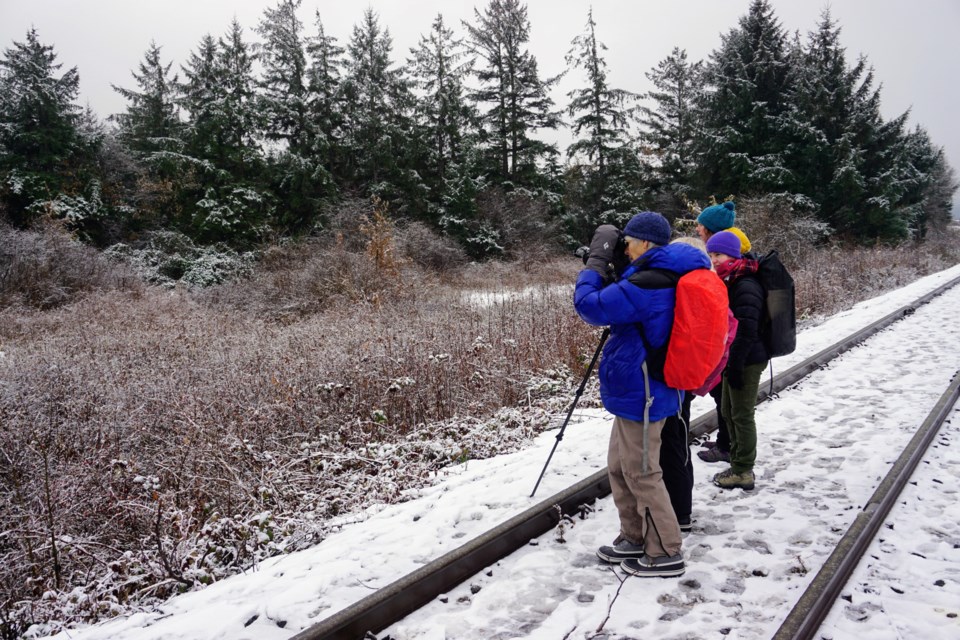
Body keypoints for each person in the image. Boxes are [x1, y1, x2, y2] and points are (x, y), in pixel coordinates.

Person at [574, 211, 712, 578]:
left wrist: (595, 264)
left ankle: (666, 550)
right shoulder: (650, 277)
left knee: (643, 472)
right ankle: (634, 537)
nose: (626, 249)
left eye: (629, 242)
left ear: (646, 243)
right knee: (621, 467)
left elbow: (589, 306)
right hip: (636, 390)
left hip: (646, 392)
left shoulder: (650, 283)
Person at [704, 230, 769, 490]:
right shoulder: (731, 279)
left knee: (741, 414)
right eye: (710, 255)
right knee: (728, 411)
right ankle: (736, 458)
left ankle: (744, 471)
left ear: (732, 254)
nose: (714, 260)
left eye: (718, 254)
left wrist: (736, 365)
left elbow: (747, 330)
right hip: (736, 358)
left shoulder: (745, 285)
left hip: (747, 359)